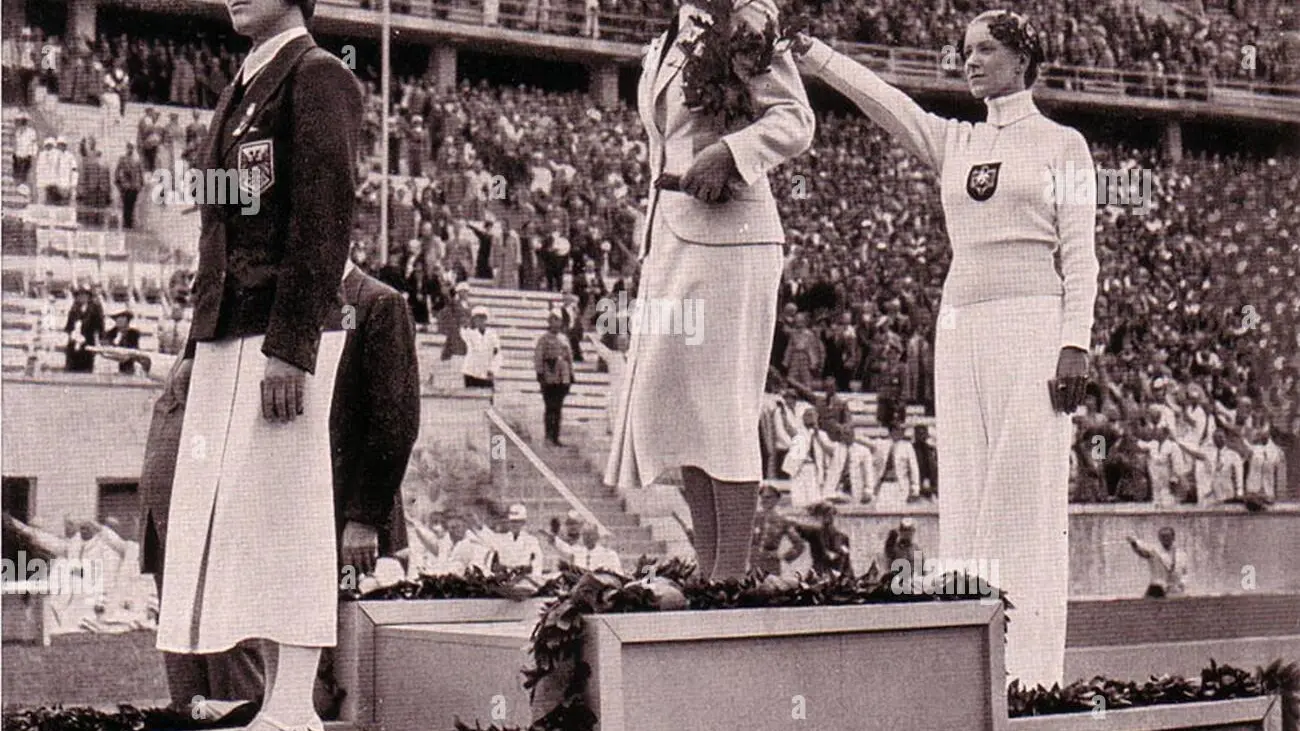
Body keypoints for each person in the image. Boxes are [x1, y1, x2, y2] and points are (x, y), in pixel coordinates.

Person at [793, 8, 1099, 688]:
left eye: (987, 48)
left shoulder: (1063, 145)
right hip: (960, 328)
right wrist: (815, 56)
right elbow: (887, 103)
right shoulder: (956, 141)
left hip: (1034, 326)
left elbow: (1081, 256)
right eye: (965, 49)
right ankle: (974, 669)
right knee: (963, 489)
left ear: (1024, 60)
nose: (971, 59)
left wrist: (1074, 341)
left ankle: (1032, 675)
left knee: (1024, 496)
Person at [155, 1, 364, 729]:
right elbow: (217, 229)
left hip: (279, 334)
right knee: (242, 516)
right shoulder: (240, 87)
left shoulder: (319, 77)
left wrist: (292, 344)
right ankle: (276, 701)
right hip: (227, 329)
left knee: (288, 510)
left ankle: (293, 702)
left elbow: (324, 216)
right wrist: (193, 342)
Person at [606, 0, 815, 582]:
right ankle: (708, 570)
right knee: (680, 407)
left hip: (734, 240)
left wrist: (729, 153)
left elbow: (796, 119)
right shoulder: (668, 37)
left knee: (723, 406)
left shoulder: (745, 20)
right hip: (674, 238)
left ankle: (730, 573)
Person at [535, 310, 574, 446]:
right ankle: (548, 436)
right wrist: (540, 375)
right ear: (549, 321)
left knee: (558, 408)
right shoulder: (544, 339)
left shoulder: (564, 338)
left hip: (562, 376)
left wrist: (571, 375)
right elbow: (538, 358)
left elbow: (569, 358)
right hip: (549, 376)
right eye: (553, 320)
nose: (556, 323)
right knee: (549, 407)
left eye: (558, 320)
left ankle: (556, 436)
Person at [750, 483, 806, 577]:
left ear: (776, 499)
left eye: (768, 497)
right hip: (752, 565)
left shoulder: (783, 521)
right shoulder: (753, 519)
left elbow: (799, 545)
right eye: (762, 497)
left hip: (771, 566)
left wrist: (783, 555)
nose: (764, 500)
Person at [1127, 527, 1187, 598]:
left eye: (1167, 536)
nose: (1165, 539)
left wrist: (1183, 583)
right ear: (1159, 538)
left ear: (1173, 537)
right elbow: (1141, 551)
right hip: (1157, 588)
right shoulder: (1154, 551)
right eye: (1162, 537)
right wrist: (1134, 544)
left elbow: (1184, 572)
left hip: (1175, 588)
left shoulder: (1181, 554)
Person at [494, 504, 543, 579]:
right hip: (504, 578)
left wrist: (534, 576)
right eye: (512, 521)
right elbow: (494, 562)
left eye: (517, 522)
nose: (514, 524)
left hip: (524, 579)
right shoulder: (500, 539)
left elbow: (538, 561)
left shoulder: (531, 540)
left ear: (523, 522)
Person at [460, 305, 503, 389]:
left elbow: (497, 353)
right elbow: (464, 333)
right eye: (477, 318)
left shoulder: (492, 334)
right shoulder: (470, 333)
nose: (479, 321)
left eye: (482, 318)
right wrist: (466, 325)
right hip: (471, 372)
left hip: (486, 372)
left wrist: (493, 369)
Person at [63, 287, 104, 373]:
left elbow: (100, 326)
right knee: (72, 365)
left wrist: (100, 340)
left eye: (84, 295)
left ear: (88, 297)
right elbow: (69, 326)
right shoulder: (74, 309)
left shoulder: (95, 308)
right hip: (73, 342)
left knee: (86, 365)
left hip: (88, 341)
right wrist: (72, 334)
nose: (82, 297)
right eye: (80, 295)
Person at [113, 144, 144, 230]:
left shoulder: (136, 161)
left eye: (131, 148)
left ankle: (129, 223)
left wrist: (140, 185)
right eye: (128, 148)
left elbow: (140, 173)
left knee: (131, 205)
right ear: (127, 149)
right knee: (126, 205)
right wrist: (119, 184)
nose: (130, 150)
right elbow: (117, 172)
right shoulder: (123, 159)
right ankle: (127, 223)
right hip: (126, 187)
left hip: (133, 187)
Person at [103, 310, 142, 374]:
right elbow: (105, 344)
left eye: (123, 318)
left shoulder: (133, 334)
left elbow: (133, 350)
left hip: (127, 365)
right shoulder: (110, 333)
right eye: (118, 318)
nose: (119, 321)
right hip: (111, 363)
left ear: (127, 321)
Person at [12, 113, 37, 186]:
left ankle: (23, 186)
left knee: (25, 173)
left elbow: (33, 144)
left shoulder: (32, 132)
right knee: (16, 172)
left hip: (27, 155)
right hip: (18, 154)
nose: (23, 123)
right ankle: (17, 185)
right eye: (22, 121)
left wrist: (32, 154)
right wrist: (14, 153)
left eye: (25, 121)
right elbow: (16, 143)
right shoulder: (17, 132)